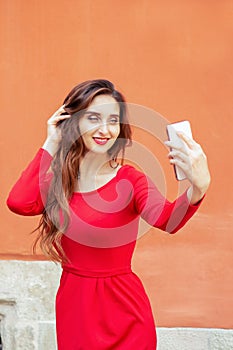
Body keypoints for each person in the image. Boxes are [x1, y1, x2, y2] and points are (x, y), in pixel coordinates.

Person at [7, 79, 210, 349]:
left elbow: (167, 219)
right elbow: (19, 202)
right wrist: (51, 141)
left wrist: (198, 188)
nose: (105, 129)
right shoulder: (59, 179)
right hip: (75, 312)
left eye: (113, 120)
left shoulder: (130, 180)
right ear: (73, 121)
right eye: (93, 118)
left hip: (126, 315)